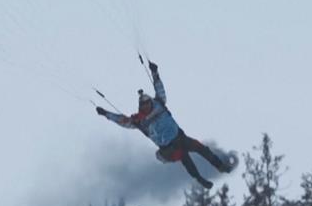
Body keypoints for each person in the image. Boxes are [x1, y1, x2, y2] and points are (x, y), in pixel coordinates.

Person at [95, 60, 234, 189]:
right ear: (140, 106)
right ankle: (200, 179)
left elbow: (159, 89)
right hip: (168, 149)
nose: (146, 107)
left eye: (147, 103)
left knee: (200, 147)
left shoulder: (159, 104)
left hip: (180, 137)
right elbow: (122, 121)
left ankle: (220, 166)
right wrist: (106, 114)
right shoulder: (139, 121)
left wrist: (155, 72)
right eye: (143, 105)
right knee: (184, 157)